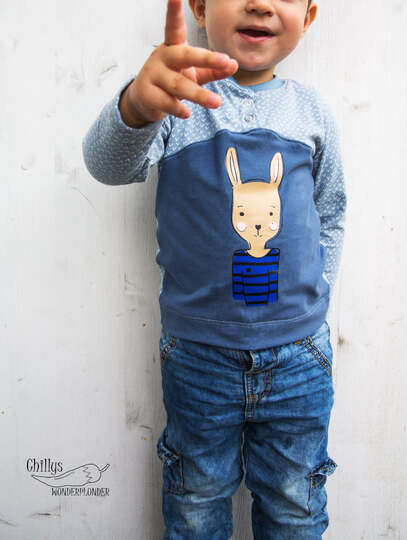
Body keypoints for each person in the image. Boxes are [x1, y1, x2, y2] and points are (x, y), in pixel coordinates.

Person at [82, 0, 347, 537]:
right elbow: (107, 167)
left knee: (295, 504)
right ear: (200, 7)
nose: (260, 4)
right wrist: (137, 104)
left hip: (300, 357)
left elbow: (331, 209)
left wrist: (316, 295)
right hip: (198, 358)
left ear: (309, 17)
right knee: (196, 499)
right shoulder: (177, 100)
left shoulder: (311, 111)